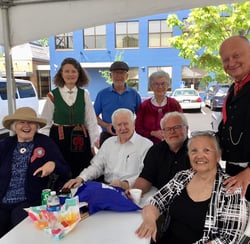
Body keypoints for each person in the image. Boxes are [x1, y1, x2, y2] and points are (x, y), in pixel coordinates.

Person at [136, 130, 248, 244]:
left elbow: (229, 239)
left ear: (218, 156)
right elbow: (156, 202)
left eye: (207, 150)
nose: (199, 156)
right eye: (194, 150)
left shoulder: (231, 188)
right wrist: (150, 219)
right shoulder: (183, 177)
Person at [0, 107, 70, 238]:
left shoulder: (45, 142)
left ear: (36, 126)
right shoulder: (5, 144)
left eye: (30, 122)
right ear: (15, 126)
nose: (26, 126)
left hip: (29, 202)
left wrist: (53, 164)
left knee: (22, 230)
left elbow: (65, 170)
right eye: (21, 122)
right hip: (2, 201)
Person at [63, 108, 153, 190]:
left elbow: (145, 175)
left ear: (133, 124)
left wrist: (124, 184)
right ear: (114, 127)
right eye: (119, 125)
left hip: (131, 190)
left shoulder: (146, 145)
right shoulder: (108, 143)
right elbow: (96, 166)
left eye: (126, 124)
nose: (122, 128)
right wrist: (81, 178)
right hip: (107, 188)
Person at [40, 57, 100, 178]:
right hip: (59, 138)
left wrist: (93, 143)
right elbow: (45, 123)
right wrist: (46, 143)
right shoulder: (53, 95)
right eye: (66, 71)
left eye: (73, 71)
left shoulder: (84, 95)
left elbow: (91, 120)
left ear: (79, 74)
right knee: (61, 168)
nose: (70, 74)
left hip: (80, 137)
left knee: (81, 168)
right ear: (61, 74)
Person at [216, 35, 250, 243]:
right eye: (225, 60)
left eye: (236, 56)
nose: (231, 63)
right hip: (234, 173)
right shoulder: (234, 88)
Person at [132, 111, 190, 194]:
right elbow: (146, 177)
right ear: (163, 133)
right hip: (161, 199)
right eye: (167, 129)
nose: (172, 132)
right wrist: (135, 192)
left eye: (176, 127)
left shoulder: (197, 151)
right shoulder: (155, 151)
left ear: (187, 129)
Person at [94, 61, 141, 146]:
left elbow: (141, 116)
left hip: (129, 136)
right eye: (115, 73)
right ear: (110, 76)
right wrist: (106, 125)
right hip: (108, 136)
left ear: (126, 76)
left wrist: (131, 126)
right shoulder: (102, 94)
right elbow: (93, 116)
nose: (119, 76)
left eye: (122, 73)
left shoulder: (134, 94)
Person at [135, 70, 182, 144]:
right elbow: (138, 129)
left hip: (172, 146)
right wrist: (152, 133)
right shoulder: (144, 106)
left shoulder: (174, 104)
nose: (160, 87)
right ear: (151, 86)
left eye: (163, 83)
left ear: (168, 85)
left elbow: (182, 126)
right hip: (149, 146)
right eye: (156, 84)